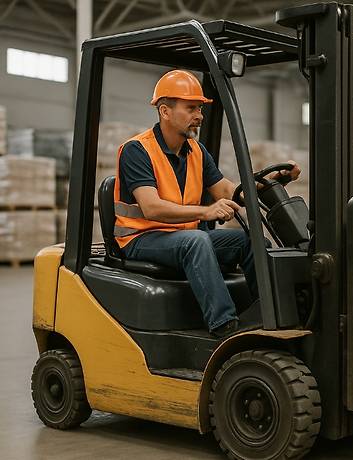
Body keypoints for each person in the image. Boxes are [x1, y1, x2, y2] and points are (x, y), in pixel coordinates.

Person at [112, 69, 301, 338]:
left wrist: (270, 182)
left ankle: (267, 312)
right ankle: (225, 326)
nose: (199, 115)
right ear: (165, 111)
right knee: (197, 240)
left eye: (199, 108)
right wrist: (207, 211)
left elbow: (228, 190)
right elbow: (152, 207)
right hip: (141, 239)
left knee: (250, 240)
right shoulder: (137, 150)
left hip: (181, 236)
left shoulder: (196, 151)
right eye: (191, 108)